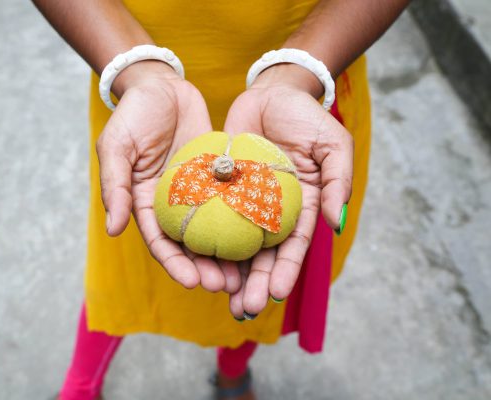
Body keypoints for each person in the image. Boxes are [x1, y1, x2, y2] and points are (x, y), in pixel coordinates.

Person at [32, 1, 409, 399]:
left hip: (307, 81)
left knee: (260, 280)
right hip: (139, 90)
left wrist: (304, 68)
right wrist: (134, 68)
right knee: (124, 269)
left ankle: (233, 373)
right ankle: (81, 384)